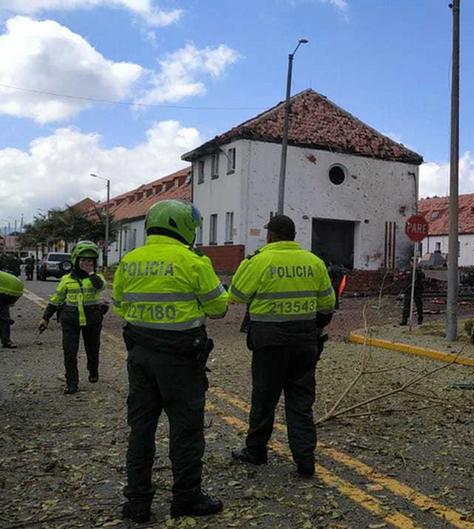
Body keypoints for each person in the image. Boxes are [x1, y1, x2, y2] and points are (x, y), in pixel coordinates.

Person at [113, 200, 228, 523]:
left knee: (141, 429)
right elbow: (219, 307)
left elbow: (120, 304)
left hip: (140, 355)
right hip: (181, 358)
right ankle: (187, 497)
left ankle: (137, 502)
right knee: (186, 430)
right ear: (182, 225)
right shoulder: (192, 261)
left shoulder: (130, 261)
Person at [228, 215, 335, 477]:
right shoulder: (314, 262)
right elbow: (327, 305)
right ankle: (305, 460)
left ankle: (256, 451)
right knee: (301, 402)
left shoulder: (259, 260)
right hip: (304, 341)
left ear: (271, 236)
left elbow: (236, 296)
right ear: (293, 235)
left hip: (269, 342)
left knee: (264, 398)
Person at [39, 241, 107, 394]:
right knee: (70, 351)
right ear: (76, 261)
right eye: (83, 260)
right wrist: (45, 317)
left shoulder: (97, 278)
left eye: (90, 261)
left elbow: (100, 287)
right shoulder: (66, 280)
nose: (86, 263)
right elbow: (56, 299)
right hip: (70, 319)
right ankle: (72, 382)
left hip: (92, 319)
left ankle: (93, 370)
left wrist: (91, 273)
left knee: (92, 348)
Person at [0, 269, 23, 348]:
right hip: (14, 289)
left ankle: (5, 319)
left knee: (3, 317)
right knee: (3, 314)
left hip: (8, 291)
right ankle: (6, 341)